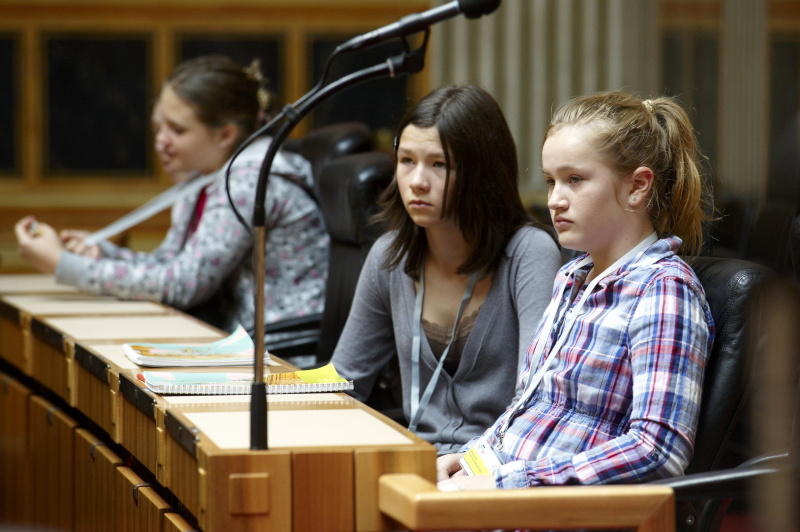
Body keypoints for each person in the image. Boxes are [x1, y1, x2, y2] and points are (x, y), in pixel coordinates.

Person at [437, 90, 716, 490]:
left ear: (637, 187)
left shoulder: (664, 289)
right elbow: (529, 408)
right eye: (551, 182)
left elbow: (658, 450)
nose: (554, 200)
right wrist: (469, 460)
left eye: (575, 180)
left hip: (560, 510)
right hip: (505, 491)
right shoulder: (572, 278)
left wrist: (509, 482)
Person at [15, 55, 329, 342]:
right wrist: (100, 254)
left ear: (225, 135)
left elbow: (182, 284)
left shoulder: (249, 181)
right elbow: (168, 263)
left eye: (177, 130)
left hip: (281, 356)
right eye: (157, 128)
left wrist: (63, 264)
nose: (160, 142)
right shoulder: (206, 177)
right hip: (238, 344)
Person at [330, 84, 562, 454]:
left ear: (482, 172)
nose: (417, 181)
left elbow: (534, 401)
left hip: (495, 469)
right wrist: (269, 388)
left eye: (439, 164)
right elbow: (341, 381)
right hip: (416, 462)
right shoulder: (390, 256)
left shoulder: (528, 254)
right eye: (407, 161)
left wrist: (470, 467)